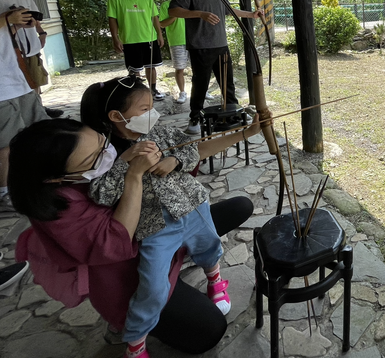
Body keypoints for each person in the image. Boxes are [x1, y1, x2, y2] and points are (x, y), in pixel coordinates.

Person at [8, 115, 260, 355]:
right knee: (208, 330)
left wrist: (244, 133)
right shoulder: (60, 207)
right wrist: (133, 174)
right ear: (56, 179)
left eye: (102, 142)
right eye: (94, 157)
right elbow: (114, 243)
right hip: (131, 267)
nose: (108, 153)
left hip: (167, 226)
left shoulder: (122, 148)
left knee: (234, 210)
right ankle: (134, 335)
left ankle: (201, 267)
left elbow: (191, 151)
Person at [80, 76, 259, 358]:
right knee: (152, 285)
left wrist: (175, 160)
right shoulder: (107, 154)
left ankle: (215, 280)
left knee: (209, 245)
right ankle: (136, 342)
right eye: (143, 108)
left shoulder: (160, 133)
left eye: (152, 105)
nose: (152, 113)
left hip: (193, 206)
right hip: (153, 226)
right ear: (116, 116)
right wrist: (128, 165)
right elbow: (100, 194)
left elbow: (191, 148)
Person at [169, 0, 263, 134]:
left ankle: (233, 114)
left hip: (221, 45)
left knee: (227, 84)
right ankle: (195, 118)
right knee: (201, 84)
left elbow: (229, 10)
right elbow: (174, 11)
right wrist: (199, 13)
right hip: (200, 46)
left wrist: (251, 14)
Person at [0, 5, 49, 212]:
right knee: (6, 144)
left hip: (17, 80)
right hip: (2, 90)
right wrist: (8, 18)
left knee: (38, 131)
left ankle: (38, 179)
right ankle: (5, 191)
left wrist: (16, 24)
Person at [0, 0, 62, 117]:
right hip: (10, 50)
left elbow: (33, 12)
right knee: (21, 82)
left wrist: (40, 31)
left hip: (30, 44)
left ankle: (39, 108)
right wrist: (10, 19)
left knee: (35, 79)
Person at [108, 0, 165, 101]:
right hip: (130, 40)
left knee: (151, 66)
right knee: (134, 69)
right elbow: (112, 20)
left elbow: (154, 18)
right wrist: (115, 38)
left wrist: (159, 35)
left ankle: (153, 90)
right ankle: (137, 92)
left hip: (149, 38)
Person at [159, 0, 188, 104]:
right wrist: (175, 14)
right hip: (177, 41)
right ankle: (182, 92)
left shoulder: (190, 3)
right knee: (179, 68)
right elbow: (161, 24)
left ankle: (203, 91)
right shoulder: (167, 5)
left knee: (199, 68)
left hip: (195, 40)